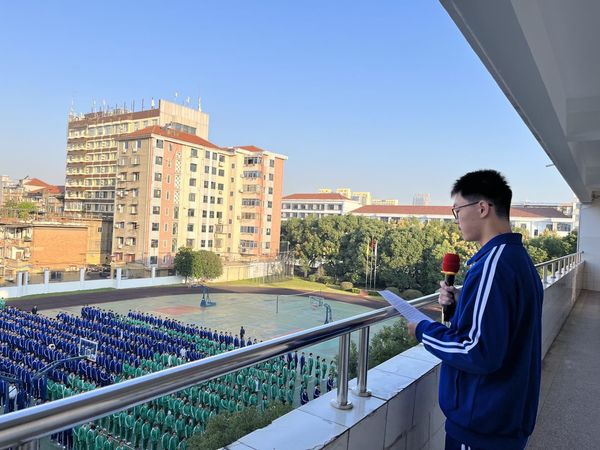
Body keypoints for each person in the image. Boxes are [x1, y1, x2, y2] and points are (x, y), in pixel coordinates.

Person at [408, 170, 543, 450]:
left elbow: (477, 351)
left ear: (482, 208)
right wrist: (463, 301)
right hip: (504, 418)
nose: (456, 219)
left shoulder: (493, 266)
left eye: (457, 210)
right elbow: (504, 324)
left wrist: (423, 330)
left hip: (482, 423)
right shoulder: (515, 259)